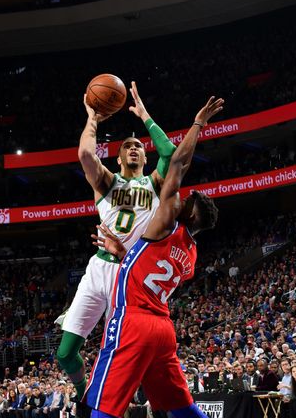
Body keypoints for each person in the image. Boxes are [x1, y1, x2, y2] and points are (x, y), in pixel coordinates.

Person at [83, 95, 223, 418]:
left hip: (133, 320)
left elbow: (177, 162)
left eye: (185, 200)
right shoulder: (191, 254)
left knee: (104, 405)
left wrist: (198, 123)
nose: (180, 197)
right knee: (182, 408)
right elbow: (149, 263)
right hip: (163, 329)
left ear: (186, 212)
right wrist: (124, 252)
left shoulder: (166, 220)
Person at [56, 82, 178, 400]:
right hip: (98, 269)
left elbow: (170, 152)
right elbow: (85, 153)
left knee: (119, 355)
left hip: (129, 273)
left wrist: (145, 115)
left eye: (139, 145)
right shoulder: (107, 182)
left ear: (144, 157)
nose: (135, 148)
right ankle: (83, 392)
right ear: (120, 157)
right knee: (65, 354)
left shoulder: (155, 183)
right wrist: (92, 118)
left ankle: (107, 399)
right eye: (128, 146)